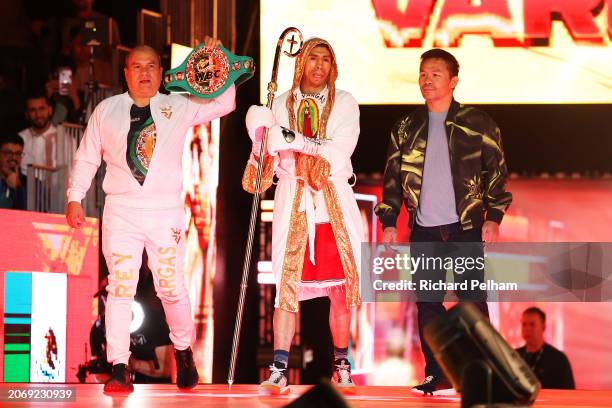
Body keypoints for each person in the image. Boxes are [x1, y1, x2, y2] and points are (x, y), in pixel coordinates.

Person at [65, 39, 235, 394]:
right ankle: (119, 366)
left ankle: (184, 352)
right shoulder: (106, 111)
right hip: (121, 211)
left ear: (162, 72)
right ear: (125, 73)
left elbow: (225, 102)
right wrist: (74, 197)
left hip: (165, 211)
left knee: (170, 287)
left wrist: (216, 61)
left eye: (151, 66)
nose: (144, 73)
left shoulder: (180, 104)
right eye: (137, 67)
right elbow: (86, 158)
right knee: (120, 287)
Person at [375, 49, 512, 395]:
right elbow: (391, 178)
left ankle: (485, 373)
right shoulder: (406, 127)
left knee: (472, 302)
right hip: (425, 229)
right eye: (423, 74)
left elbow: (497, 173)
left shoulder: (477, 123)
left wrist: (493, 217)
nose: (426, 80)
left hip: (465, 225)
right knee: (428, 303)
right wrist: (389, 219)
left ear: (453, 81)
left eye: (435, 74)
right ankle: (438, 374)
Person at [242, 37, 362, 395]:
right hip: (293, 198)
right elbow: (262, 170)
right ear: (301, 63)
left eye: (326, 59)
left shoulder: (345, 103)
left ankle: (341, 365)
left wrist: (289, 139)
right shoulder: (278, 104)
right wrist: (259, 136)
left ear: (333, 65)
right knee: (286, 288)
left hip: (333, 202)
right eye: (313, 58)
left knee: (341, 289)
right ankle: (279, 368)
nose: (319, 65)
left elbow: (337, 155)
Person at [516, 307, 575, 389]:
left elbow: (568, 393)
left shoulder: (558, 359)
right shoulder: (514, 356)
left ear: (543, 327)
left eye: (532, 324)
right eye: (524, 324)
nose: (527, 329)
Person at [19, 94, 57, 171]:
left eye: (42, 109)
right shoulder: (20, 138)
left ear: (50, 110)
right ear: (26, 114)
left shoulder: (66, 140)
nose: (38, 114)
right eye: (33, 110)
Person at [0, 133, 27, 210]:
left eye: (18, 154)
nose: (14, 157)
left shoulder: (31, 183)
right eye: (8, 153)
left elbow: (31, 212)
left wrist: (18, 187)